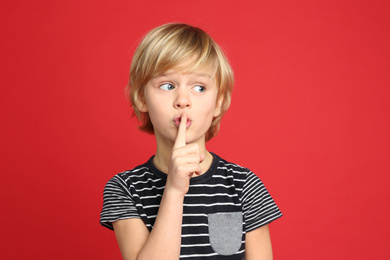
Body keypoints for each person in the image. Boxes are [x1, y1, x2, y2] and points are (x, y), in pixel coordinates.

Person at [100, 23, 282, 260]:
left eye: (199, 87)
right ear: (141, 98)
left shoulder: (243, 186)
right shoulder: (125, 189)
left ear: (218, 102)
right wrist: (174, 190)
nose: (183, 100)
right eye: (167, 85)